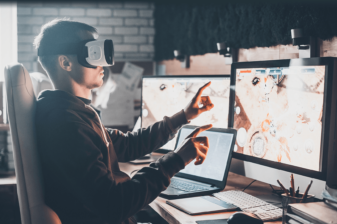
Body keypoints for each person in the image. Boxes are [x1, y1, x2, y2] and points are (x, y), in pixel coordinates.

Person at [33, 19, 214, 224]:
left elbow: (128, 145)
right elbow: (114, 205)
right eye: (93, 53)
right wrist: (178, 159)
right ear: (65, 63)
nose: (103, 63)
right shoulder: (66, 124)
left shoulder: (75, 112)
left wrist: (184, 116)